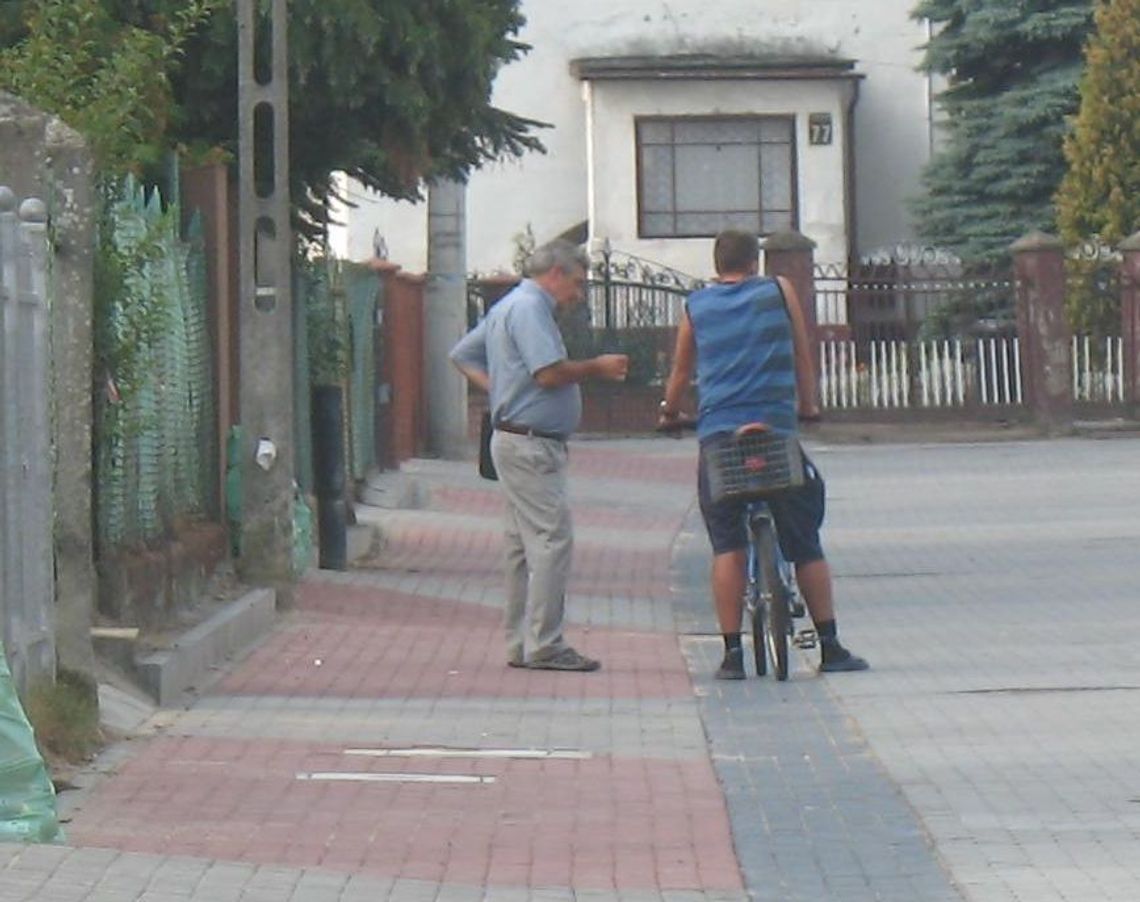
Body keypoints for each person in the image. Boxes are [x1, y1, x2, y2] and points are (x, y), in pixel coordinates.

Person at [658, 229, 868, 679]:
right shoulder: (778, 289)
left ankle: (732, 655)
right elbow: (801, 352)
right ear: (755, 262)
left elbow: (680, 371)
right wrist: (808, 406)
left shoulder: (695, 307)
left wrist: (669, 412)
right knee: (805, 539)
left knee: (727, 542)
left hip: (721, 436)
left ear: (716, 264)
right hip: (775, 428)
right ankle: (830, 646)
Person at [450, 239, 629, 672]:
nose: (579, 294)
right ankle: (545, 643)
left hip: (513, 438)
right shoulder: (530, 309)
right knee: (551, 540)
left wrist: (501, 389)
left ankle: (521, 642)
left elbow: (462, 354)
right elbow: (548, 374)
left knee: (519, 546)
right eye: (578, 283)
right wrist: (597, 367)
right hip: (530, 443)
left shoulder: (509, 306)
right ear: (557, 273)